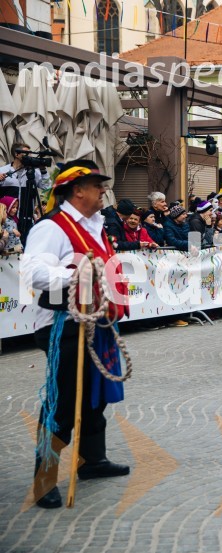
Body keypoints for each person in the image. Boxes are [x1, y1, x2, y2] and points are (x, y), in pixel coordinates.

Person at [21, 159, 131, 509]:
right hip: (63, 325)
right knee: (62, 403)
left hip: (96, 322)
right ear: (77, 190)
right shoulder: (52, 227)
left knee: (95, 397)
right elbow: (33, 272)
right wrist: (76, 274)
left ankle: (92, 460)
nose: (103, 190)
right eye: (97, 185)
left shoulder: (96, 224)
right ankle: (44, 480)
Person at [0, 143, 50, 242]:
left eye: (30, 153)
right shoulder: (2, 170)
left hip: (27, 219)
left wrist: (43, 170)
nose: (29, 156)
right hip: (7, 221)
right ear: (16, 154)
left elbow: (47, 186)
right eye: (26, 153)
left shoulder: (34, 172)